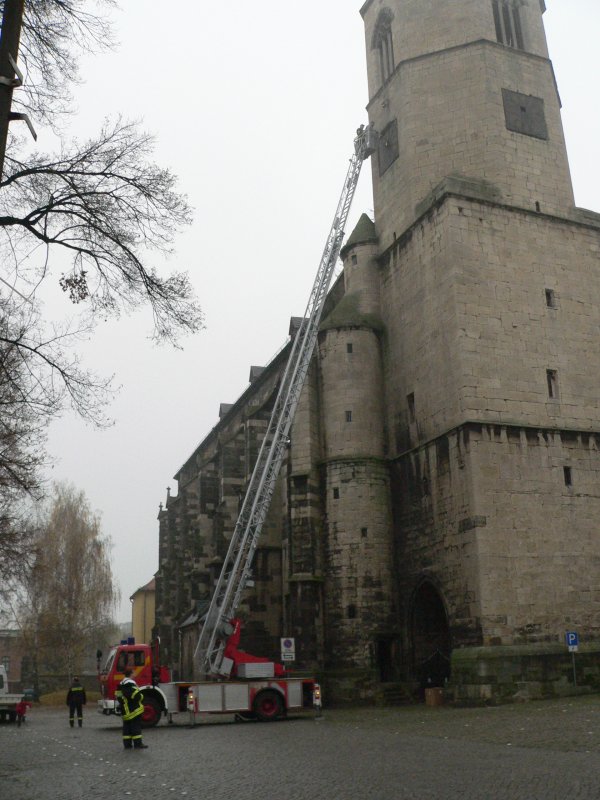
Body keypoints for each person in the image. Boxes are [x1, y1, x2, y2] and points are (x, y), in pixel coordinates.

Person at [115, 668, 148, 749]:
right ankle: (138, 744)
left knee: (126, 728)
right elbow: (136, 696)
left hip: (125, 710)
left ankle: (127, 744)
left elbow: (118, 696)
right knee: (136, 727)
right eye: (133, 672)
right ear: (131, 674)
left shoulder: (121, 684)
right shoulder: (130, 684)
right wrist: (142, 696)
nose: (135, 673)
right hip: (133, 710)